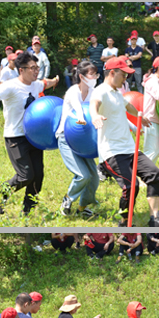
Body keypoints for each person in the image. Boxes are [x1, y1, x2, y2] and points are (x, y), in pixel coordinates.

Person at [0, 52, 59, 216]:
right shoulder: (11, 86)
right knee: (25, 176)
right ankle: (2, 194)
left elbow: (46, 83)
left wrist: (55, 80)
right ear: (22, 70)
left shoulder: (36, 85)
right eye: (32, 68)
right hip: (15, 137)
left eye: (37, 67)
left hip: (34, 137)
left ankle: (27, 211)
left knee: (38, 176)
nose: (36, 71)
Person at [89, 57, 159, 227]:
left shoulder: (116, 92)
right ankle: (124, 223)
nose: (126, 79)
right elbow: (94, 104)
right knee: (130, 186)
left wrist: (139, 116)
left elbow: (127, 105)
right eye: (123, 75)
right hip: (112, 152)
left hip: (130, 148)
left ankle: (155, 219)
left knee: (155, 175)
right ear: (112, 73)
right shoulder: (101, 91)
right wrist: (95, 116)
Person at [55, 60, 101, 218]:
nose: (95, 77)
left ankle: (82, 208)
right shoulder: (72, 91)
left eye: (96, 74)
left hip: (83, 139)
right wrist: (81, 118)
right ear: (82, 76)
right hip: (66, 137)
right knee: (83, 175)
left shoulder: (94, 92)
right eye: (92, 74)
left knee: (94, 178)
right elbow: (78, 108)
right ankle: (67, 200)